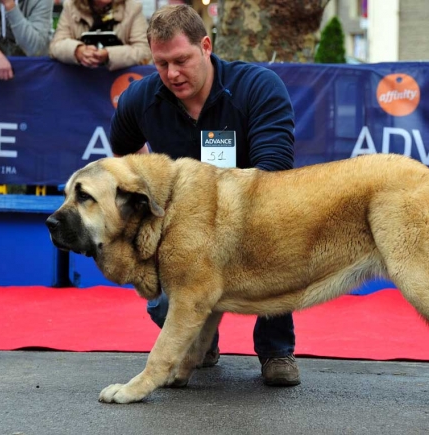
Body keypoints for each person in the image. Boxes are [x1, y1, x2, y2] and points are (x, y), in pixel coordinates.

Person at [110, 4, 300, 386]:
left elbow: (274, 172)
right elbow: (124, 155)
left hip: (254, 214)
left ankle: (276, 349)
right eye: (161, 64)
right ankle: (202, 340)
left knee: (276, 230)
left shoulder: (258, 87)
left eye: (181, 60)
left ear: (206, 46)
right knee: (164, 303)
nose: (172, 74)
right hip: (186, 232)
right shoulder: (140, 99)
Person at [49, 0, 150, 71]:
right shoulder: (70, 6)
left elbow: (145, 52)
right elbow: (55, 46)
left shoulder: (133, 8)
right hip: (79, 83)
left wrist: (109, 55)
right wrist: (77, 51)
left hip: (120, 83)